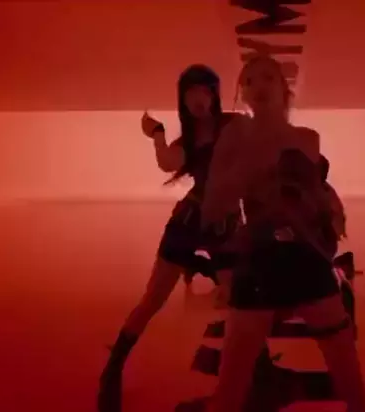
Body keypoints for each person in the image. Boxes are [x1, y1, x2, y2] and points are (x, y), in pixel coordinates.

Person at [200, 55, 365, 412]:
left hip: (308, 262)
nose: (258, 86)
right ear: (242, 93)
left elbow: (315, 194)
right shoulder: (235, 136)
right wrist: (248, 165)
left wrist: (331, 211)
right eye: (249, 80)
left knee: (351, 381)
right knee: (230, 390)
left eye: (267, 77)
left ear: (284, 87)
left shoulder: (307, 139)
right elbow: (213, 207)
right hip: (259, 263)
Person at [97, 64, 241, 412]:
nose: (198, 99)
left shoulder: (233, 125)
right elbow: (167, 162)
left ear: (214, 94)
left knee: (240, 303)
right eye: (190, 93)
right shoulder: (187, 141)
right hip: (188, 224)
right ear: (183, 100)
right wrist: (157, 133)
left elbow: (261, 149)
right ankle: (112, 370)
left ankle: (253, 369)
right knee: (152, 300)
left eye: (204, 91)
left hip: (224, 227)